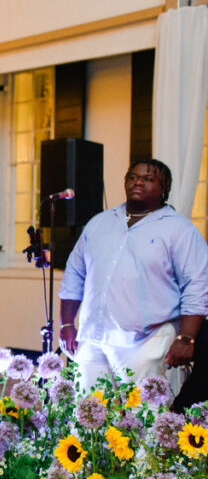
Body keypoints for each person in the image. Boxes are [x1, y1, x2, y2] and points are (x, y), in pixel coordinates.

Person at [59, 160, 208, 393]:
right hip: (93, 340)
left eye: (148, 178)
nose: (138, 181)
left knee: (144, 422)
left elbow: (197, 286)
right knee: (88, 419)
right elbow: (74, 275)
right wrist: (67, 323)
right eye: (133, 176)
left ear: (164, 188)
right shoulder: (99, 223)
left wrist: (186, 339)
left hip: (147, 343)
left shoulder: (180, 230)